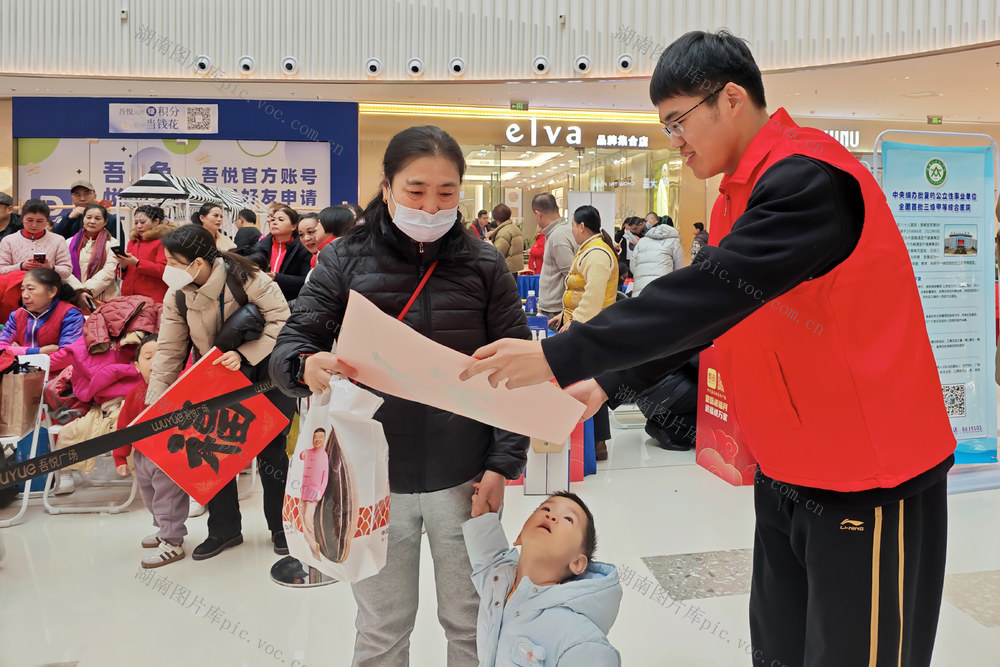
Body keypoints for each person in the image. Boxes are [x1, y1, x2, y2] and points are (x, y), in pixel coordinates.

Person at [462, 29, 955, 667]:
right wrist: (606, 383)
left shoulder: (810, 180)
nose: (674, 140)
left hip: (867, 475)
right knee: (779, 646)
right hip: (787, 467)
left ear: (729, 98)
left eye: (678, 121)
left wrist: (562, 354)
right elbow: (711, 320)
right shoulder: (733, 198)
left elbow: (704, 297)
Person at [269, 125, 530, 666]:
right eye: (416, 190)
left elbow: (515, 374)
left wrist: (503, 464)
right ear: (386, 187)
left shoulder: (484, 266)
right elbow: (293, 344)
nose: (431, 206)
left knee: (472, 622)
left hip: (464, 479)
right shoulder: (344, 260)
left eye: (447, 192)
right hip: (370, 482)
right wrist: (305, 365)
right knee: (382, 628)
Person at [148, 224, 292, 561]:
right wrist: (156, 400)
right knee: (215, 454)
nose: (168, 268)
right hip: (215, 383)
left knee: (272, 455)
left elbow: (283, 322)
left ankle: (282, 528)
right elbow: (169, 350)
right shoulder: (178, 294)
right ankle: (224, 530)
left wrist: (245, 354)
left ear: (198, 262)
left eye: (173, 260)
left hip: (264, 377)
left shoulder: (248, 278)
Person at [462, 491, 622, 666]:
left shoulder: (578, 639)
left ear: (577, 563)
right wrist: (484, 513)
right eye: (546, 508)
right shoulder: (499, 583)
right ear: (520, 536)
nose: (551, 516)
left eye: (569, 519)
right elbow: (490, 556)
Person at [113, 335, 190, 568]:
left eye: (163, 356)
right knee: (150, 497)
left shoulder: (178, 389)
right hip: (142, 456)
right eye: (148, 357)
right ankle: (163, 529)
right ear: (137, 366)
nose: (156, 361)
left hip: (169, 456)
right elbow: (124, 427)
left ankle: (172, 540)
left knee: (168, 498)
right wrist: (120, 456)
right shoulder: (134, 394)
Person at [553, 205, 618, 461]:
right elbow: (580, 292)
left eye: (572, 226)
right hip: (586, 328)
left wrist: (576, 322)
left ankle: (597, 443)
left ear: (581, 226)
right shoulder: (590, 250)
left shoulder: (598, 254)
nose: (572, 231)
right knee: (586, 383)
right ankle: (590, 441)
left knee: (593, 385)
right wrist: (564, 314)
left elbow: (593, 294)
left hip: (592, 331)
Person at [0, 268, 83, 354]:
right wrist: (38, 352)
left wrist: (17, 352)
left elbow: (68, 354)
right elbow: (1, 349)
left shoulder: (70, 315)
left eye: (30, 289)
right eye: (22, 289)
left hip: (56, 367)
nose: (24, 295)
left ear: (52, 292)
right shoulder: (16, 315)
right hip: (22, 366)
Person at [532, 193, 578, 321]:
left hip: (556, 310)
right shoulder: (562, 231)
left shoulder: (557, 236)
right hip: (557, 308)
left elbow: (571, 276)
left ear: (538, 214)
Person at [251, 205, 311, 301]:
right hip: (262, 299)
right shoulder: (261, 245)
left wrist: (277, 277)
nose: (274, 222)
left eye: (280, 220)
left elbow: (305, 281)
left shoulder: (303, 248)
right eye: (273, 219)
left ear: (293, 226)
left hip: (292, 302)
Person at [0, 199, 72, 279]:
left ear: (47, 221)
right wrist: (21, 266)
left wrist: (50, 267)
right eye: (29, 220)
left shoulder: (58, 240)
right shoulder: (8, 240)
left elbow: (67, 271)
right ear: (22, 219)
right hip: (16, 287)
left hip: (48, 287)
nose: (34, 225)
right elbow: (1, 270)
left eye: (40, 221)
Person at [64, 203, 120, 306]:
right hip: (73, 298)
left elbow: (109, 272)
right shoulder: (68, 242)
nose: (92, 221)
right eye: (88, 217)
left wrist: (86, 291)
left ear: (105, 222)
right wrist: (78, 291)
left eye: (97, 218)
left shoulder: (113, 243)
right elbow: (64, 269)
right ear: (83, 219)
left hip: (105, 299)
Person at [117, 205, 173, 303]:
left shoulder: (163, 242)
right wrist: (123, 266)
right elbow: (122, 276)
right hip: (128, 299)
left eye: (142, 222)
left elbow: (164, 270)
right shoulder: (133, 242)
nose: (139, 226)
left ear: (156, 221)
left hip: (153, 299)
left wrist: (138, 263)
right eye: (136, 222)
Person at [630, 213, 683, 296]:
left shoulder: (642, 241)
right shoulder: (674, 242)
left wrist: (642, 275)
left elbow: (633, 267)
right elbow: (679, 269)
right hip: (663, 290)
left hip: (641, 291)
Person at [54, 180, 121, 241]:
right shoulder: (68, 219)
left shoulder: (110, 219)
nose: (82, 198)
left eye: (87, 194)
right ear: (72, 198)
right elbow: (54, 241)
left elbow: (118, 250)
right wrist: (69, 218)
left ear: (94, 196)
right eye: (77, 195)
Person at [299, 427, 328, 560]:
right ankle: (313, 546)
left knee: (308, 518)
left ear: (324, 439)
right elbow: (301, 455)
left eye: (320, 437)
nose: (317, 440)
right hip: (303, 490)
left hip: (313, 492)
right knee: (300, 518)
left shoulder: (324, 455)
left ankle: (315, 546)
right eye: (316, 437)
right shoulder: (308, 452)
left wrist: (320, 493)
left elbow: (325, 477)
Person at [489, 203, 524, 273]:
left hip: (506, 268)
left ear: (497, 219)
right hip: (515, 267)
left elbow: (499, 252)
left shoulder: (504, 232)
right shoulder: (514, 228)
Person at [615, 216, 646, 282]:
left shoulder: (641, 235)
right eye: (633, 228)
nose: (635, 230)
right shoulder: (619, 235)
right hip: (623, 264)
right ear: (626, 225)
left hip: (636, 263)